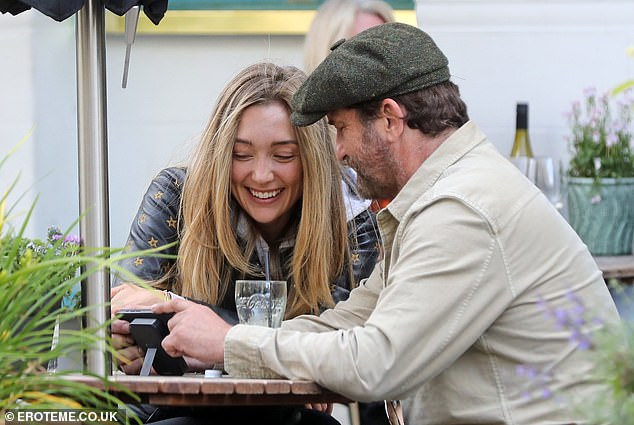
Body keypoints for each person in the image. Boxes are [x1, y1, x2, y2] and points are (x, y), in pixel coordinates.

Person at [133, 23, 622, 424]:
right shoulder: (444, 196)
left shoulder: (462, 209)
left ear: (389, 119)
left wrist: (229, 342)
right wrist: (218, 340)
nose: (339, 153)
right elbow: (351, 319)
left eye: (341, 129)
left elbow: (376, 361)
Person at [111, 62, 381, 425]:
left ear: (312, 160)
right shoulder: (176, 196)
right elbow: (126, 310)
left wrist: (177, 311)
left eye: (283, 155)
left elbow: (340, 347)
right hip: (168, 412)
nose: (262, 174)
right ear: (222, 153)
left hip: (284, 417)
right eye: (241, 155)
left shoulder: (350, 219)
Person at [304, 0, 395, 217]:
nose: (378, 66)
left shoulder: (410, 142)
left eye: (386, 50)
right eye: (363, 53)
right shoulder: (300, 145)